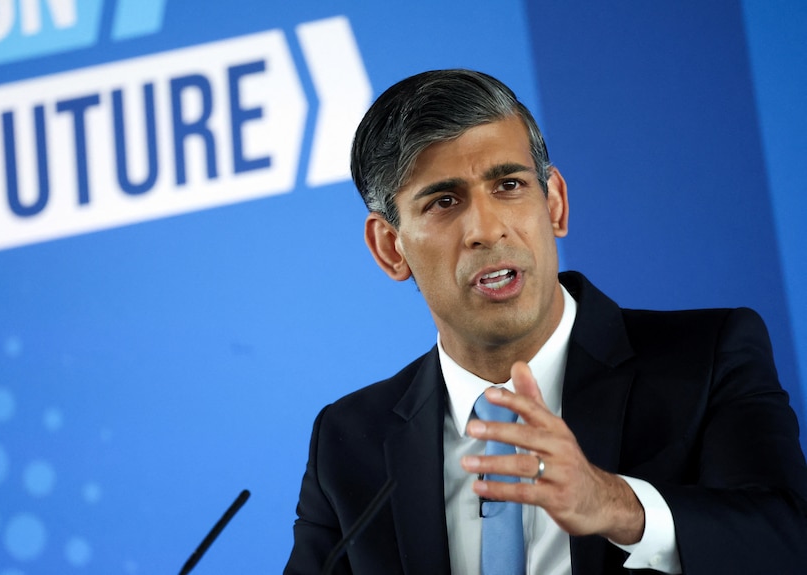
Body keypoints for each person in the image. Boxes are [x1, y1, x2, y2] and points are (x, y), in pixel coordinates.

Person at [283, 69, 807, 574]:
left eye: (509, 185)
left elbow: (788, 542)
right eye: (444, 201)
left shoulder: (708, 358)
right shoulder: (349, 440)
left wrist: (616, 505)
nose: (487, 230)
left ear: (554, 203)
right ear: (390, 248)